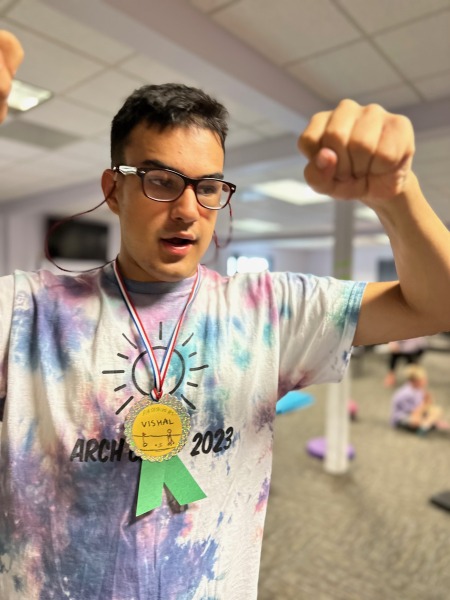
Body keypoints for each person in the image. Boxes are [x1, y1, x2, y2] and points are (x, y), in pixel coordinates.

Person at [2, 30, 450, 600]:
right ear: (114, 190)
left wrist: (396, 195)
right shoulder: (27, 311)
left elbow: (436, 305)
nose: (188, 210)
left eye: (208, 186)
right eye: (161, 182)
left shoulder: (267, 310)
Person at [390, 365, 449, 434]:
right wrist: (425, 403)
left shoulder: (418, 389)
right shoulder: (406, 393)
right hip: (402, 418)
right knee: (416, 421)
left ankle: (427, 424)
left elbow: (425, 407)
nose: (426, 381)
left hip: (416, 413)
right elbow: (414, 412)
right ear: (415, 381)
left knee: (437, 411)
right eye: (423, 380)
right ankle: (425, 427)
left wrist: (428, 401)